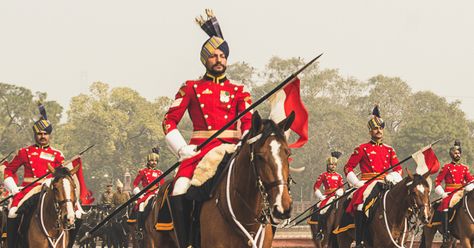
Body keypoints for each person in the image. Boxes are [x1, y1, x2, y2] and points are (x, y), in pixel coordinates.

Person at [162, 9, 252, 248]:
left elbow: (249, 122)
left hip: (233, 148)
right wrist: (182, 149)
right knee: (179, 189)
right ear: (205, 60)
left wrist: (244, 141)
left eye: (223, 55)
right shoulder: (190, 87)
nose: (219, 59)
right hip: (199, 151)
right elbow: (168, 121)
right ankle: (187, 242)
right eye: (213, 56)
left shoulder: (239, 89)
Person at [3, 104, 65, 248]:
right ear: (35, 135)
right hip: (28, 190)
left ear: (49, 135)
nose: (42, 136)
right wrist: (13, 188)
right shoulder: (24, 152)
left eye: (45, 134)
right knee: (12, 212)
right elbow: (9, 171)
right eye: (39, 134)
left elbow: (62, 176)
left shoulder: (57, 155)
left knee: (73, 213)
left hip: (49, 189)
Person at [343, 105, 402, 248]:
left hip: (386, 182)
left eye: (381, 128)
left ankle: (402, 233)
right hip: (367, 182)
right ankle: (360, 241)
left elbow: (398, 169)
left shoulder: (389, 149)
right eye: (376, 128)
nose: (379, 131)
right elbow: (348, 167)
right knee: (361, 205)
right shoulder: (362, 148)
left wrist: (391, 177)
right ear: (370, 131)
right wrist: (357, 183)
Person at [434, 140, 474, 244]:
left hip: (461, 191)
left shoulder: (464, 168)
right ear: (451, 154)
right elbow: (437, 181)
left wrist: (471, 184)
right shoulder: (447, 167)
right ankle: (446, 232)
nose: (458, 155)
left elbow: (470, 179)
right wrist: (442, 193)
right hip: (449, 192)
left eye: (459, 153)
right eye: (456, 153)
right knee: (446, 205)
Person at [312, 151, 344, 240]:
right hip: (327, 196)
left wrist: (340, 192)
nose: (333, 166)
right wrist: (321, 196)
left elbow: (341, 187)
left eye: (334, 165)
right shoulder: (323, 175)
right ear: (327, 165)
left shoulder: (339, 176)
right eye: (331, 164)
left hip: (337, 196)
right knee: (322, 210)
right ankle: (320, 231)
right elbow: (316, 187)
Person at [132, 150, 164, 237]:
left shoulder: (160, 173)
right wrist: (140, 194)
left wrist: (159, 191)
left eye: (155, 161)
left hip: (158, 193)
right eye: (152, 161)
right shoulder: (143, 172)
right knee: (141, 206)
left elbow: (162, 184)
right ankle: (140, 229)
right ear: (148, 161)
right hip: (146, 194)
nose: (154, 163)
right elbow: (135, 184)